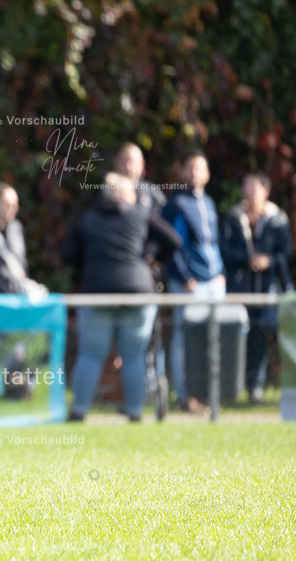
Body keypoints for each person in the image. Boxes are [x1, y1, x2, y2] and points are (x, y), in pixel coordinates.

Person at [61, 173, 181, 421]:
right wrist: (153, 258)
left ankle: (78, 411)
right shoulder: (140, 216)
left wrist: (91, 263)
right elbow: (173, 240)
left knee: (90, 355)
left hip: (97, 295)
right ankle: (135, 413)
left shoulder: (88, 219)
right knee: (134, 356)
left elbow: (67, 254)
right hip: (136, 294)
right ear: (127, 195)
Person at [220, 171, 293, 404]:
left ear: (266, 191)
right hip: (239, 289)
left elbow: (287, 255)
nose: (249, 191)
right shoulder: (233, 218)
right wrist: (247, 259)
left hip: (266, 291)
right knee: (235, 337)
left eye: (254, 186)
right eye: (246, 186)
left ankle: (255, 387)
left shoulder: (278, 220)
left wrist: (268, 261)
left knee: (261, 338)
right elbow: (224, 251)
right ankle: (231, 388)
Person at [161, 151, 226, 413]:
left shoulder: (208, 202)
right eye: (191, 168)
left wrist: (220, 272)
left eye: (201, 168)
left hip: (214, 282)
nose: (196, 173)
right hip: (190, 285)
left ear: (208, 174)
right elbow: (170, 246)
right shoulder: (175, 204)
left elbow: (212, 243)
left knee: (214, 338)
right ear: (182, 171)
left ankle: (211, 393)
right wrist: (185, 278)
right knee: (184, 338)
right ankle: (185, 395)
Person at [114, 142, 167, 218]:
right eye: (124, 161)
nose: (128, 167)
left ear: (142, 165)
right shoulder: (107, 192)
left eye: (132, 162)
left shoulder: (152, 193)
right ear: (116, 162)